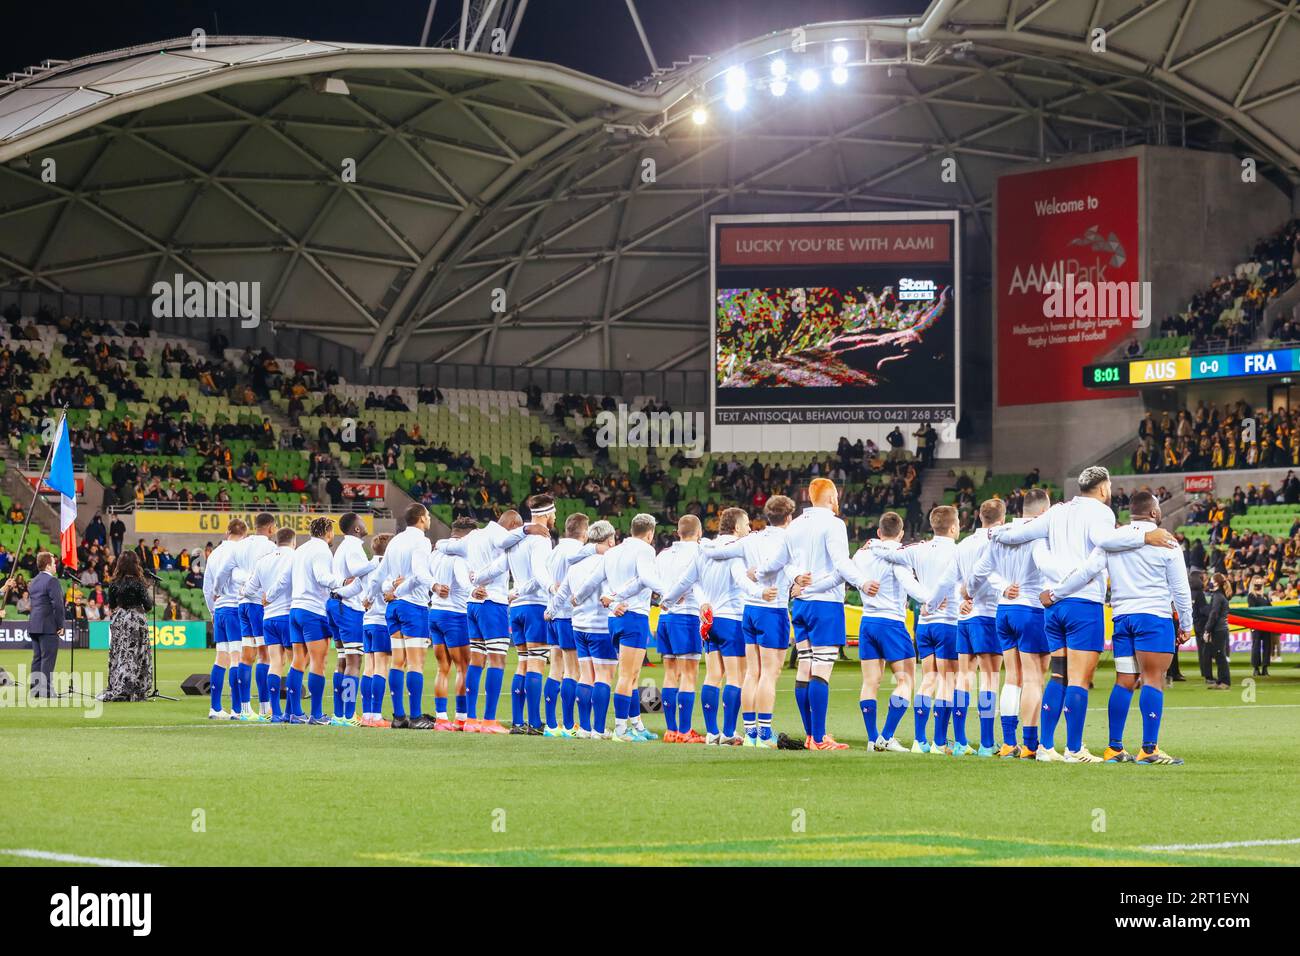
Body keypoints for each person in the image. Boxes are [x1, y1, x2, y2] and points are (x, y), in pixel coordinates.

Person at [992, 466, 1176, 763]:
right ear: (1103, 488)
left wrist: (994, 531)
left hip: (1053, 607)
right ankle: (1075, 749)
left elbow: (1020, 534)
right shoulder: (1101, 513)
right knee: (1079, 679)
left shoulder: (1057, 512)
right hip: (1082, 603)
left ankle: (1046, 747)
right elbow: (1106, 543)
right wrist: (1146, 538)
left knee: (1058, 676)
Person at [1044, 490, 1192, 764]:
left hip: (1122, 619)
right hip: (1154, 617)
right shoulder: (1166, 542)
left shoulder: (1113, 540)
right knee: (1153, 679)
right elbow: (1180, 589)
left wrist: (1055, 593)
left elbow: (1086, 572)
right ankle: (1149, 749)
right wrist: (1186, 623)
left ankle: (1114, 748)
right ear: (1155, 512)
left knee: (1124, 682)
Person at [551, 519, 618, 738]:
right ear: (609, 540)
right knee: (603, 676)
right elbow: (610, 593)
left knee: (584, 676)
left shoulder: (576, 566)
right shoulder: (608, 564)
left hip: (578, 627)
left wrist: (550, 611)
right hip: (600, 626)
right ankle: (598, 729)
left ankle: (584, 728)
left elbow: (561, 594)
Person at [289, 517, 354, 725]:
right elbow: (322, 577)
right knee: (319, 663)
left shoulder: (300, 549)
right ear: (327, 532)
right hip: (313, 611)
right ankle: (316, 714)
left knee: (298, 661)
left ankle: (295, 712)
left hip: (295, 608)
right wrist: (343, 582)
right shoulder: (322, 550)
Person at [653, 514, 706, 744]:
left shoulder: (663, 555)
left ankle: (671, 730)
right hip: (687, 618)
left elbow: (653, 584)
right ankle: (685, 731)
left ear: (678, 531)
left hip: (664, 618)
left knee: (670, 674)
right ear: (699, 531)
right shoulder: (699, 553)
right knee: (689, 674)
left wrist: (666, 597)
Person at [202, 519, 248, 719]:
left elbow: (207, 587)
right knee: (237, 657)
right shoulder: (241, 552)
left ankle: (215, 707)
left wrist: (212, 611)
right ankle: (237, 710)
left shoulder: (214, 554)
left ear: (227, 531)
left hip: (220, 610)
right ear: (244, 535)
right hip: (234, 608)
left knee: (221, 657)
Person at [99, 551, 152, 702]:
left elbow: (112, 604)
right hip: (135, 620)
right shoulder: (138, 582)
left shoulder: (114, 583)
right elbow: (148, 605)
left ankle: (118, 685)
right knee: (136, 653)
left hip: (120, 619)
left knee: (119, 653)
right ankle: (134, 688)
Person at [20, 552, 64, 698]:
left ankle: (35, 690)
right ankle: (46, 691)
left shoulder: (34, 581)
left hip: (34, 623)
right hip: (47, 625)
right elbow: (58, 605)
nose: (55, 565)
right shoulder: (52, 581)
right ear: (48, 565)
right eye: (54, 563)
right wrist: (60, 625)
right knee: (48, 658)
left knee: (37, 658)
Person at [1201, 573, 1232, 689]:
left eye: (1212, 580)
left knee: (1220, 656)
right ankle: (1220, 680)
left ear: (1216, 583)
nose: (1209, 582)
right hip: (1219, 629)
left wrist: (1207, 630)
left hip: (1219, 629)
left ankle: (1225, 681)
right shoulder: (1218, 595)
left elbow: (1214, 614)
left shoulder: (1218, 597)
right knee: (1218, 656)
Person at [1247, 578, 1272, 677]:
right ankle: (1256, 668)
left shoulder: (1265, 596)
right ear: (1253, 584)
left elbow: (1271, 608)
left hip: (1266, 624)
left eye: (1260, 583)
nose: (1258, 585)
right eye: (1256, 583)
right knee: (1256, 645)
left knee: (1267, 646)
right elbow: (1252, 609)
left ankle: (1265, 667)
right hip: (1256, 624)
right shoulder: (1251, 596)